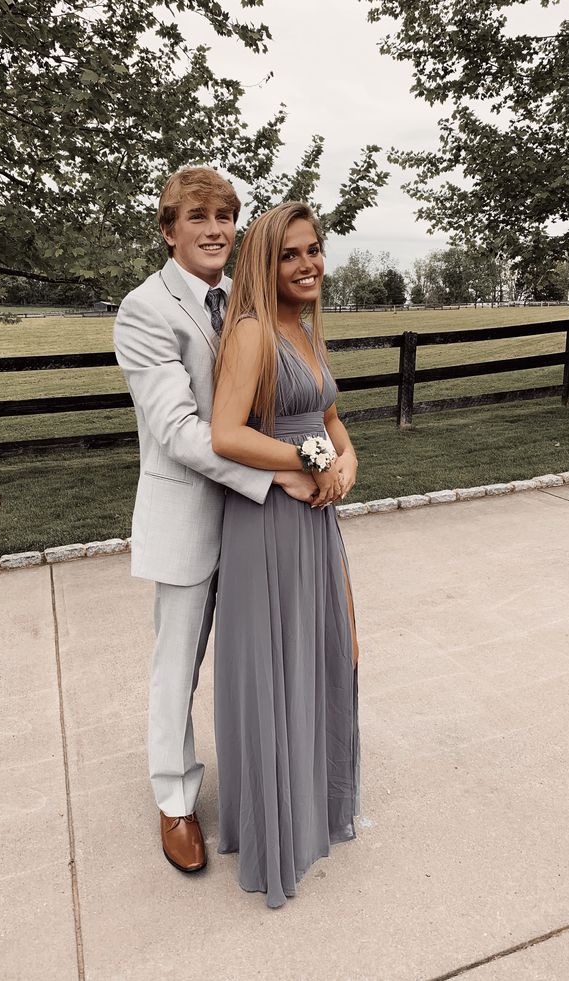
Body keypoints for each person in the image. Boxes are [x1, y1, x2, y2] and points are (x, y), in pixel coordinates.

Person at [113, 168, 318, 875]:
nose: (215, 229)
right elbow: (177, 429)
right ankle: (175, 801)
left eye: (225, 215)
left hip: (255, 526)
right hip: (193, 515)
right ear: (169, 229)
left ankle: (265, 778)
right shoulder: (146, 310)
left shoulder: (242, 299)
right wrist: (278, 470)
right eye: (197, 216)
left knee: (256, 653)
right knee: (178, 665)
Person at [211, 202, 361, 908]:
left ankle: (312, 806)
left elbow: (330, 418)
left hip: (316, 516)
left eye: (315, 250)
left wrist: (347, 462)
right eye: (290, 254)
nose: (307, 265)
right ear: (264, 262)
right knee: (276, 664)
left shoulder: (302, 330)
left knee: (319, 654)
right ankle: (276, 830)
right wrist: (307, 458)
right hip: (269, 521)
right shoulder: (249, 333)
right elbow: (225, 434)